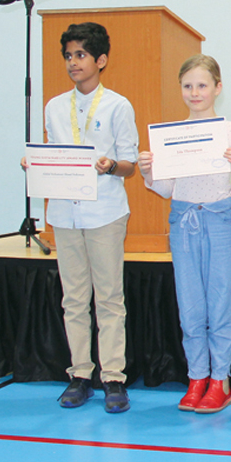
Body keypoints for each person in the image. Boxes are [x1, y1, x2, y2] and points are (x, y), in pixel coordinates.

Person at [21, 22, 138, 413]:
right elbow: (53, 156)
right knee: (73, 299)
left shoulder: (118, 105)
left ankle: (114, 377)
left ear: (101, 60)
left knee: (108, 298)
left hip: (104, 212)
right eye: (68, 56)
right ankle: (80, 374)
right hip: (64, 215)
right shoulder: (55, 106)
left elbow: (131, 164)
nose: (73, 63)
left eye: (81, 55)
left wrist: (109, 166)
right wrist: (33, 164)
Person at [139, 55, 231, 414]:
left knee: (219, 304)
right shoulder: (173, 134)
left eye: (202, 85)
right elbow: (168, 189)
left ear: (218, 87)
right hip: (183, 220)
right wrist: (149, 172)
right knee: (190, 306)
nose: (195, 92)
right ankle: (197, 376)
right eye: (188, 86)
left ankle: (221, 379)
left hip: (219, 221)